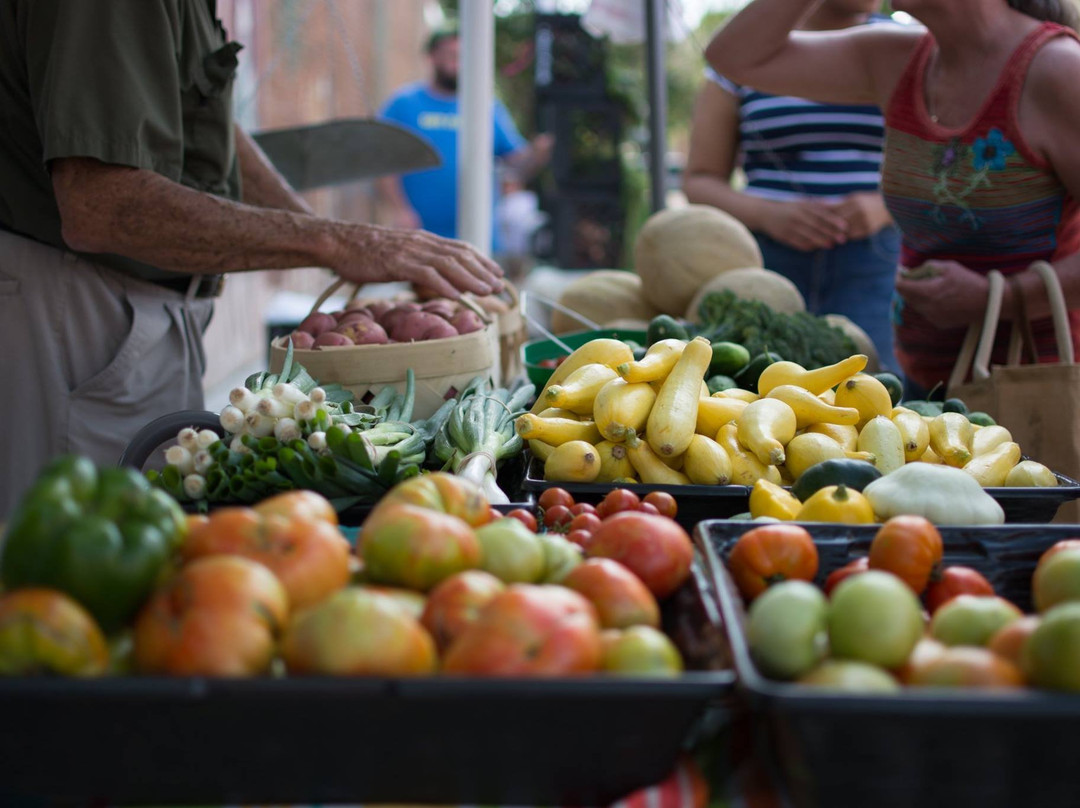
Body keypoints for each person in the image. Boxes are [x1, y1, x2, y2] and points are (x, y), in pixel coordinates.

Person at [0, 0, 504, 517]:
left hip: (142, 313)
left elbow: (211, 129)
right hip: (76, 310)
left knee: (147, 542)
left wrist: (333, 242)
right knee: (73, 561)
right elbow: (99, 206)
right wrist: (335, 241)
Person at [705, 0, 1080, 398]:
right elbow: (732, 57)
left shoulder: (1058, 71)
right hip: (927, 384)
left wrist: (999, 298)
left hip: (1040, 390)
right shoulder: (896, 57)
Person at [685, 0, 901, 372]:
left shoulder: (902, 47)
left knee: (879, 390)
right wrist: (769, 214)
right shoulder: (744, 55)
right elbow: (699, 179)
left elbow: (955, 162)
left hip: (875, 260)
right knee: (758, 390)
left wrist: (885, 205)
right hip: (767, 261)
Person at [376, 27, 554, 255]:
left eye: (463, 56)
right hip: (418, 234)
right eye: (450, 55)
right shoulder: (403, 104)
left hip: (476, 234)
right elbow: (382, 162)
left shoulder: (486, 107)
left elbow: (515, 162)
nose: (457, 63)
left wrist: (537, 153)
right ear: (432, 57)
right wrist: (400, 209)